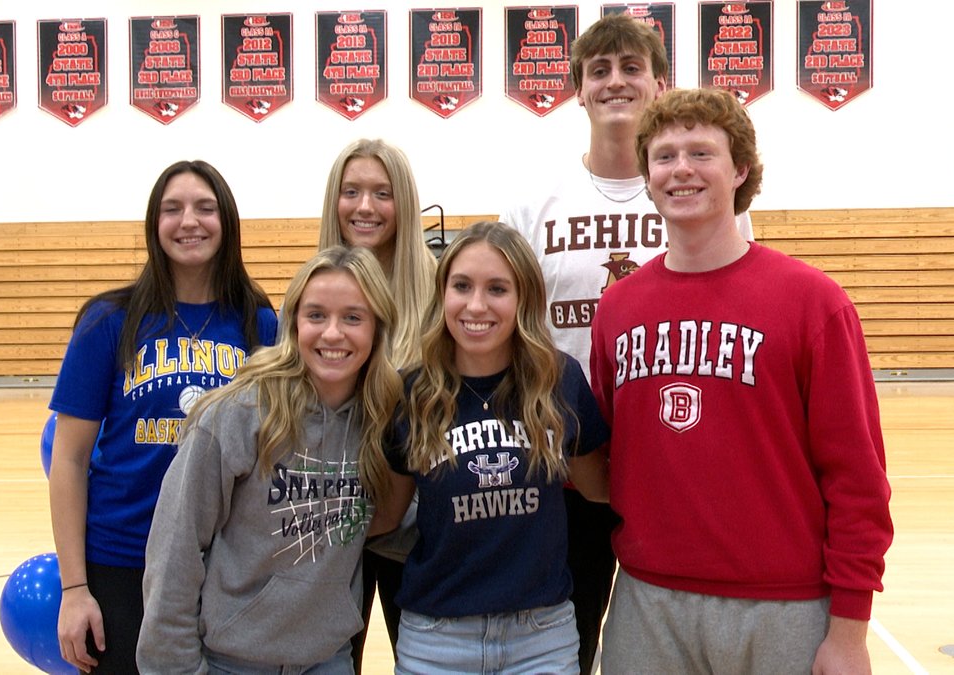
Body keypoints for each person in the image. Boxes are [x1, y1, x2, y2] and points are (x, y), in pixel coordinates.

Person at [588, 87, 894, 674]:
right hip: (647, 601)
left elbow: (858, 478)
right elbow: (601, 457)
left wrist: (850, 632)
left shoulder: (812, 302)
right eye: (664, 155)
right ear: (647, 176)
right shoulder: (618, 308)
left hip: (783, 608)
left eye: (701, 153)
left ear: (740, 171)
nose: (681, 169)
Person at [498, 14, 751, 673]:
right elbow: (510, 331)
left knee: (675, 634)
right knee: (569, 633)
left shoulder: (692, 184)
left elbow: (735, 309)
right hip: (563, 462)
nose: (616, 82)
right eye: (599, 70)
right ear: (577, 91)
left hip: (674, 450)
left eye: (631, 67)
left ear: (659, 83)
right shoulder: (533, 201)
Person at [48, 159, 279, 674]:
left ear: (228, 222)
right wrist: (75, 588)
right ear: (155, 225)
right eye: (172, 209)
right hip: (122, 559)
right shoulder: (109, 321)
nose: (188, 221)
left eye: (204, 207)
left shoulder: (259, 324)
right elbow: (68, 458)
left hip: (221, 564)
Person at [137, 245, 406, 673]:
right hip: (231, 661)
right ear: (293, 323)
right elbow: (175, 552)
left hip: (328, 660)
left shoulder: (383, 419)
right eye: (316, 315)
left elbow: (393, 518)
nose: (332, 333)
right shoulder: (236, 415)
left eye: (353, 317)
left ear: (377, 328)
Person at [378, 221, 611, 675]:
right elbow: (386, 515)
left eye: (497, 289)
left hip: (541, 637)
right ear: (442, 293)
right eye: (461, 286)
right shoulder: (412, 391)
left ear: (523, 297)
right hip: (435, 637)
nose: (476, 305)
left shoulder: (559, 381)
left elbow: (599, 488)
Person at [318, 138, 437, 672]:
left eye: (381, 193)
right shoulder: (312, 292)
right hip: (329, 534)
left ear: (403, 203)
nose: (365, 207)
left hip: (415, 538)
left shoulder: (439, 291)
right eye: (352, 192)